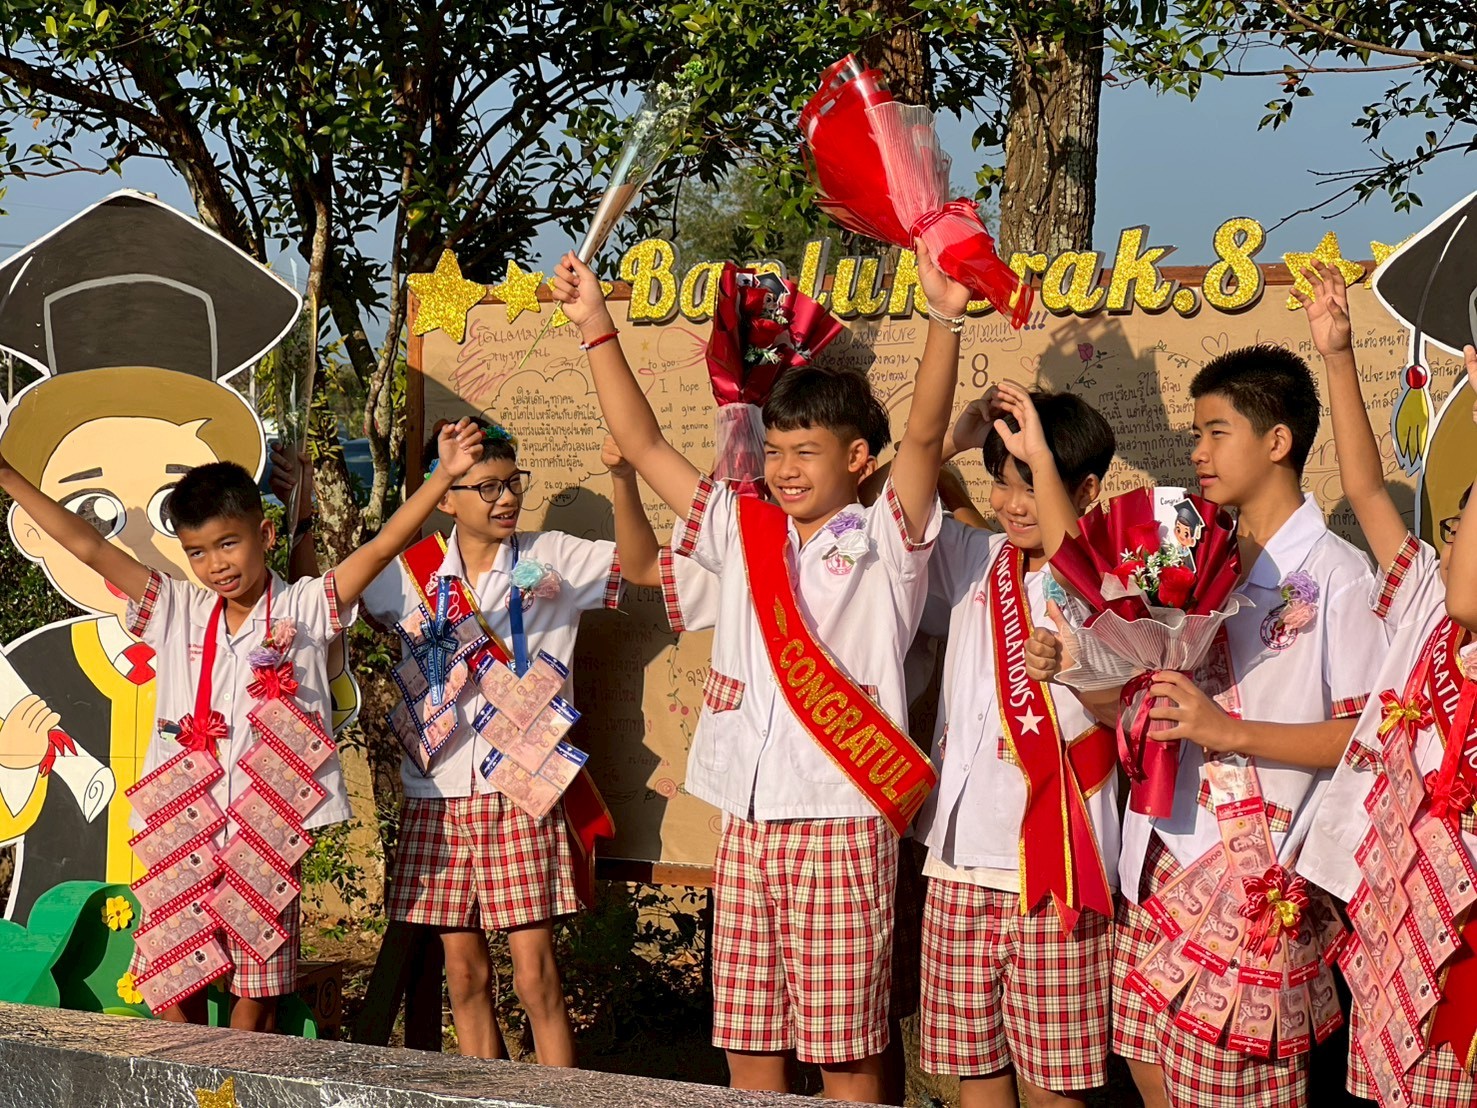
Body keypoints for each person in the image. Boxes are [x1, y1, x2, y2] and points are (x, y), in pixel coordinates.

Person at [551, 243, 968, 1103]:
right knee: (748, 1050)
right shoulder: (741, 528)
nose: (783, 469)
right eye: (774, 450)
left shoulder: (887, 541)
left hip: (841, 816)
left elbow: (925, 435)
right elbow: (644, 443)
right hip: (745, 821)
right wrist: (594, 323)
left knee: (846, 1056)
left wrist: (943, 317)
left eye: (806, 452)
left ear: (859, 459)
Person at [0, 418, 487, 1031]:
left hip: (269, 826)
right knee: (168, 974)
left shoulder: (308, 606)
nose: (216, 565)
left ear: (264, 533)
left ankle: (236, 1074)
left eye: (228, 544)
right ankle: (185, 1072)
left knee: (257, 985)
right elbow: (91, 547)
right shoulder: (174, 606)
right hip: (180, 821)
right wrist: (8, 476)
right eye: (197, 552)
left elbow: (383, 546)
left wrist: (444, 475)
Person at [1028, 340, 1389, 1107]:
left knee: (1230, 1087)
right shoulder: (1188, 556)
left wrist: (1226, 732)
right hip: (1161, 851)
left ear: (1277, 440)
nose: (1196, 451)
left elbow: (1367, 740)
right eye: (1195, 433)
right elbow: (1146, 705)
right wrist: (1079, 671)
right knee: (1147, 1069)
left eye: (1215, 432)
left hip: (1256, 874)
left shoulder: (1336, 574)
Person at [360, 417, 626, 1066]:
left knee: (535, 975)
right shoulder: (408, 574)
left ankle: (561, 1101)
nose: (505, 499)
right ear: (446, 497)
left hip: (520, 789)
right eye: (485, 487)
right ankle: (487, 1093)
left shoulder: (552, 558)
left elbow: (641, 566)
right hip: (438, 795)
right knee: (463, 974)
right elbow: (334, 596)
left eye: (512, 483)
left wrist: (624, 477)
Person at [1295, 259, 1477, 1104]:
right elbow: (1365, 489)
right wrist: (1336, 353)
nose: (1451, 536)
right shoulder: (1426, 601)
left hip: (1462, 935)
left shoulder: (1458, 602)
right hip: (1393, 913)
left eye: (1465, 522)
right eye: (1455, 522)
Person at [915, 382, 1120, 1108]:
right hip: (959, 859)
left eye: (1034, 484)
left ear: (1086, 490)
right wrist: (955, 437)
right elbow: (882, 502)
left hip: (1060, 866)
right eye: (1002, 483)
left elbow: (1091, 597)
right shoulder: (973, 556)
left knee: (1056, 1087)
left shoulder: (1118, 577)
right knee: (977, 1074)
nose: (1013, 504)